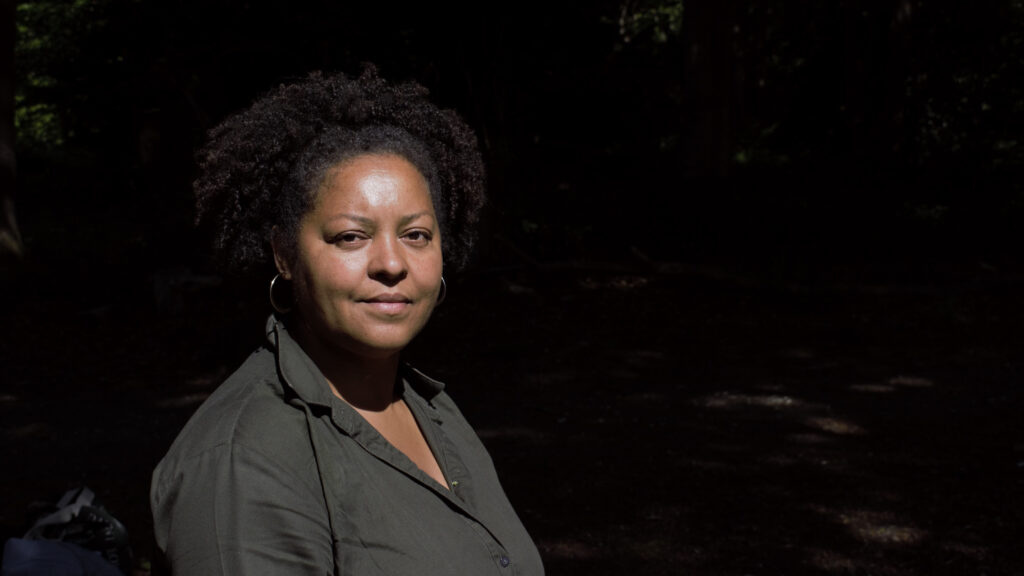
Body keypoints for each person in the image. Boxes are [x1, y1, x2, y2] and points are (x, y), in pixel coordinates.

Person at [150, 67, 545, 575]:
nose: (391, 263)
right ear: (285, 255)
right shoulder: (244, 460)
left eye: (417, 235)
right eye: (350, 237)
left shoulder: (434, 411)